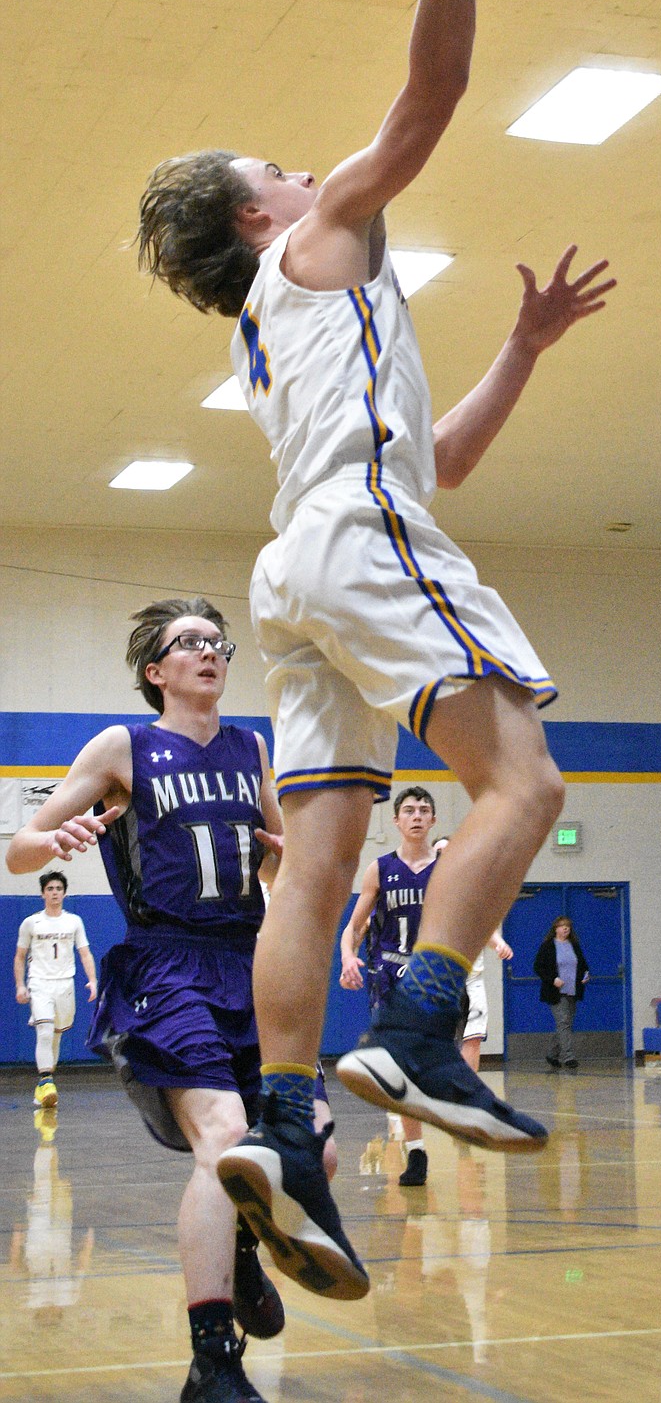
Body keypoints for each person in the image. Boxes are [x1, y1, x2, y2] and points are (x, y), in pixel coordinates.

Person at [137, 0, 614, 1293]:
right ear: (258, 212)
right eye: (278, 163)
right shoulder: (316, 237)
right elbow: (436, 88)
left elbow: (444, 462)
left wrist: (523, 348)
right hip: (354, 532)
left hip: (305, 560)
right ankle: (418, 1036)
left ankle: (280, 1122)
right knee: (522, 778)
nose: (307, 166)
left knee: (318, 867)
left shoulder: (295, 333)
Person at [4, 599, 297, 1403]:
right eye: (188, 643)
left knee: (306, 1146)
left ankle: (239, 1254)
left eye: (217, 641)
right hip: (166, 965)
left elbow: (279, 871)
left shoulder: (253, 750)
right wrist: (51, 841)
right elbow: (20, 845)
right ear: (155, 670)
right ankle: (212, 1361)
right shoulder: (122, 746)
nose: (208, 651)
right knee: (227, 1136)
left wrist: (284, 857)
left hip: (249, 964)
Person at [339, 786, 439, 1187]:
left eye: (424, 810)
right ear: (396, 821)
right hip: (389, 975)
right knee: (403, 1068)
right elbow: (355, 925)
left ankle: (421, 1135)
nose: (416, 816)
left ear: (433, 820)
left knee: (423, 1069)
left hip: (432, 977)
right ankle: (416, 1154)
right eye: (409, 810)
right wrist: (348, 956)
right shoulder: (380, 869)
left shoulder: (447, 866)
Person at [13, 871, 97, 1109]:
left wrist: (92, 980)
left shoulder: (73, 921)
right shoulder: (31, 922)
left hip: (65, 984)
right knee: (45, 1032)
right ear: (43, 893)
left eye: (58, 889)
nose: (54, 893)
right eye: (50, 889)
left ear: (65, 893)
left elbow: (84, 952)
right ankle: (46, 1080)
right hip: (39, 983)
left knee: (56, 1036)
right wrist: (20, 985)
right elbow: (20, 957)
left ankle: (43, 1087)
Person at [430, 836, 512, 1074]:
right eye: (439, 852)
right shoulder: (423, 887)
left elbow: (483, 925)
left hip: (471, 976)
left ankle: (466, 1096)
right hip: (437, 976)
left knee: (473, 1038)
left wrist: (498, 942)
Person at [533, 916, 588, 1069]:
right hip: (556, 992)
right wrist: (552, 979)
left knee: (565, 1024)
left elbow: (583, 965)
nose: (565, 929)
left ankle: (551, 1054)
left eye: (568, 927)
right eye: (562, 926)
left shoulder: (574, 945)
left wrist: (585, 975)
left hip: (573, 990)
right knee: (564, 1022)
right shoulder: (548, 946)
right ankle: (568, 1057)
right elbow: (538, 967)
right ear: (555, 928)